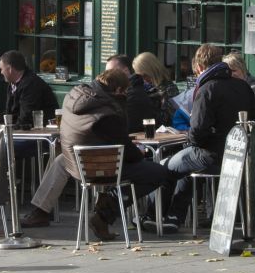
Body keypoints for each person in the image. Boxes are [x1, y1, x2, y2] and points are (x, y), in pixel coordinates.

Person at [59, 68, 176, 241]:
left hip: (76, 165)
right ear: (119, 90)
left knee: (141, 169)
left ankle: (106, 204)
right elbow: (127, 150)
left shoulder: (75, 95)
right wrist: (140, 154)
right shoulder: (107, 112)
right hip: (101, 167)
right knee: (158, 173)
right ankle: (103, 214)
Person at [158, 43, 255, 231]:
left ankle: (158, 216)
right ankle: (172, 218)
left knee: (165, 166)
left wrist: (194, 141)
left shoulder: (206, 89)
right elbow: (253, 121)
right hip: (238, 154)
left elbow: (197, 132)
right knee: (186, 167)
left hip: (211, 154)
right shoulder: (243, 87)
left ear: (199, 67)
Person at [105, 53, 160, 133]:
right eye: (106, 72)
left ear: (126, 71)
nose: (107, 76)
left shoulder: (133, 93)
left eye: (111, 71)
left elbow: (127, 127)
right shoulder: (118, 91)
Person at [133, 52, 179, 126]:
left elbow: (167, 119)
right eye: (140, 76)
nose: (144, 79)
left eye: (145, 75)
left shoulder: (169, 89)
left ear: (152, 71)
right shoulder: (142, 87)